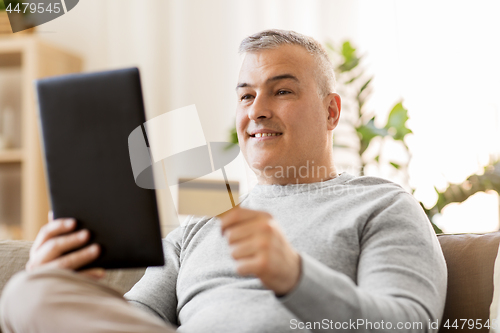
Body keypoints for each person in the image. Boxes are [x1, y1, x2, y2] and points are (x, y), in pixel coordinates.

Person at [0, 29, 447, 333]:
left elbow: (408, 323)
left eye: (282, 90)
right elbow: (137, 316)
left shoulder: (382, 205)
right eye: (247, 95)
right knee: (27, 291)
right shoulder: (206, 217)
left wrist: (295, 277)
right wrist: (64, 283)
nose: (257, 110)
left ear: (331, 111)